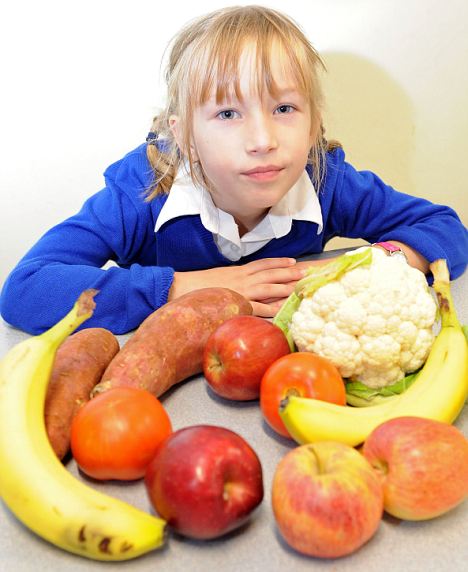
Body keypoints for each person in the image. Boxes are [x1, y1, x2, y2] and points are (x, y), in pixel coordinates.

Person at [1, 6, 467, 335]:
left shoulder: (327, 180)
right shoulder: (141, 190)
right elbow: (26, 289)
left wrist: (354, 269)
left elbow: (445, 229)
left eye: (284, 108)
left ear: (313, 125)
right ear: (184, 135)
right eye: (228, 113)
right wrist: (183, 287)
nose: (263, 140)